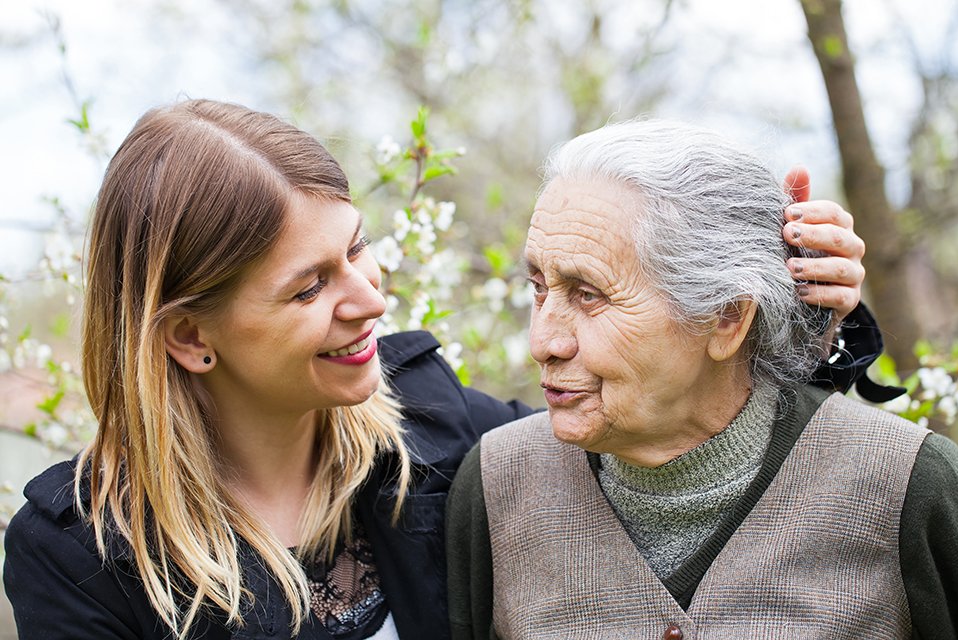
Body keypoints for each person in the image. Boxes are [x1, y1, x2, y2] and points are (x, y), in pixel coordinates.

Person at [3, 100, 878, 640]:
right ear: (191, 336)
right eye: (311, 287)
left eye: (357, 250)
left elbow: (662, 439)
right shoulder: (77, 555)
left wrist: (791, 310)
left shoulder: (438, 426)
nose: (370, 300)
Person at [445, 119, 958, 640]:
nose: (542, 342)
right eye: (538, 287)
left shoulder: (910, 489)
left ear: (727, 318)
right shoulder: (495, 487)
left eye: (588, 295)